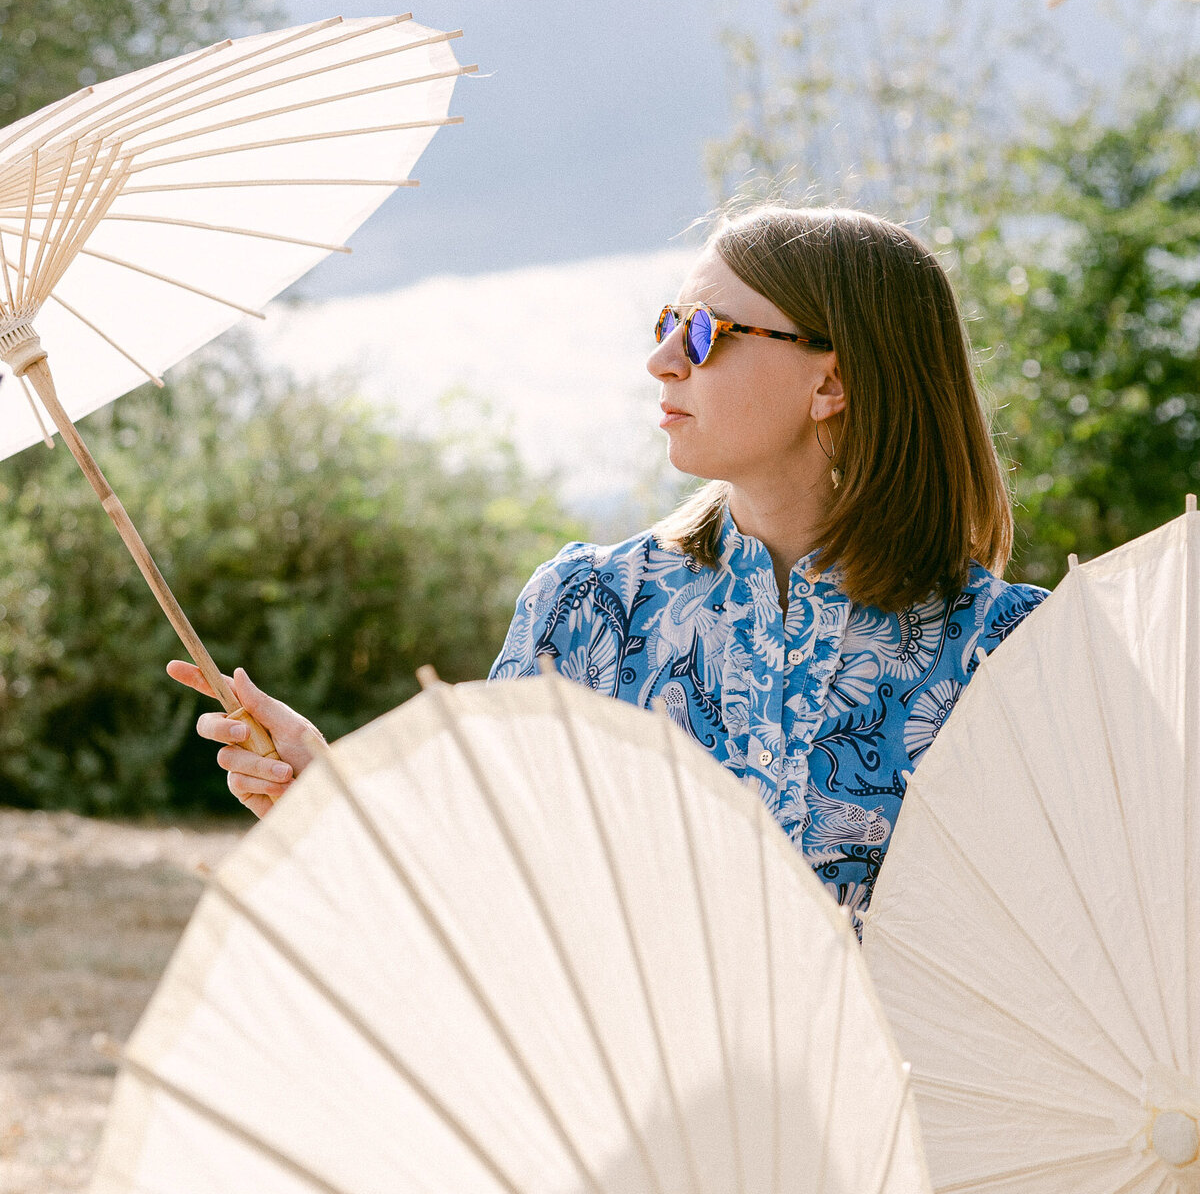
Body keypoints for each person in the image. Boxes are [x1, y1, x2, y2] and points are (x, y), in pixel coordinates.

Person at [169, 205, 1046, 929]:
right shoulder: (586, 612)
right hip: (645, 1132)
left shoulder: (1013, 652)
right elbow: (493, 888)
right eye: (667, 324)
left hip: (909, 1134)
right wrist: (330, 797)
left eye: (705, 332)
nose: (662, 359)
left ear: (831, 383)